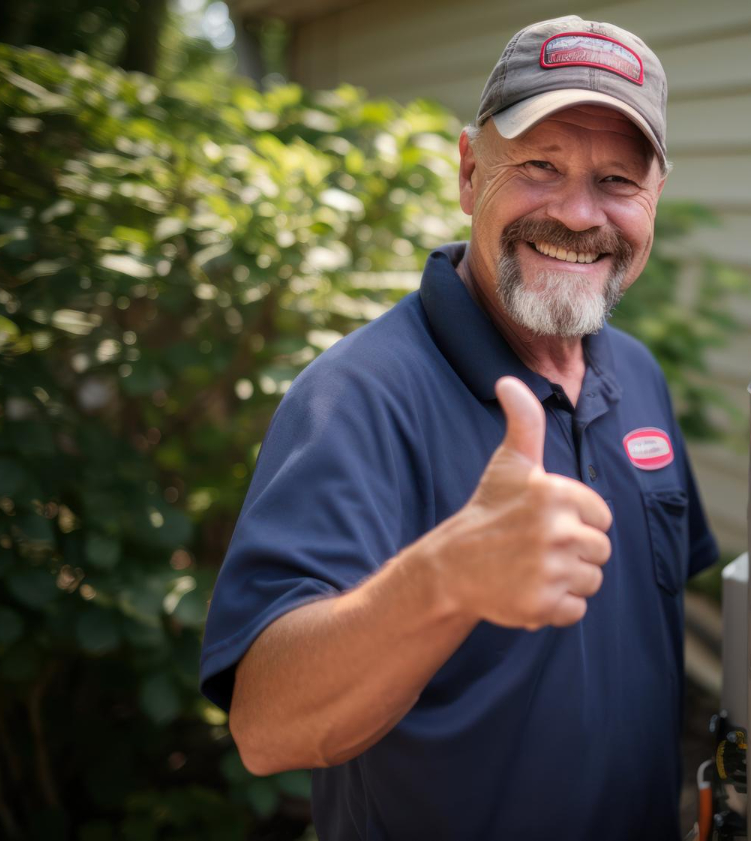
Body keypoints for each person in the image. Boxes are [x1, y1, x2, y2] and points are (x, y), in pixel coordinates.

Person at [198, 16, 718, 839]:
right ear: (471, 173)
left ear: (654, 197)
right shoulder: (357, 396)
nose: (580, 215)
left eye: (618, 180)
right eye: (541, 165)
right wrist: (447, 579)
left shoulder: (639, 376)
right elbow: (267, 728)